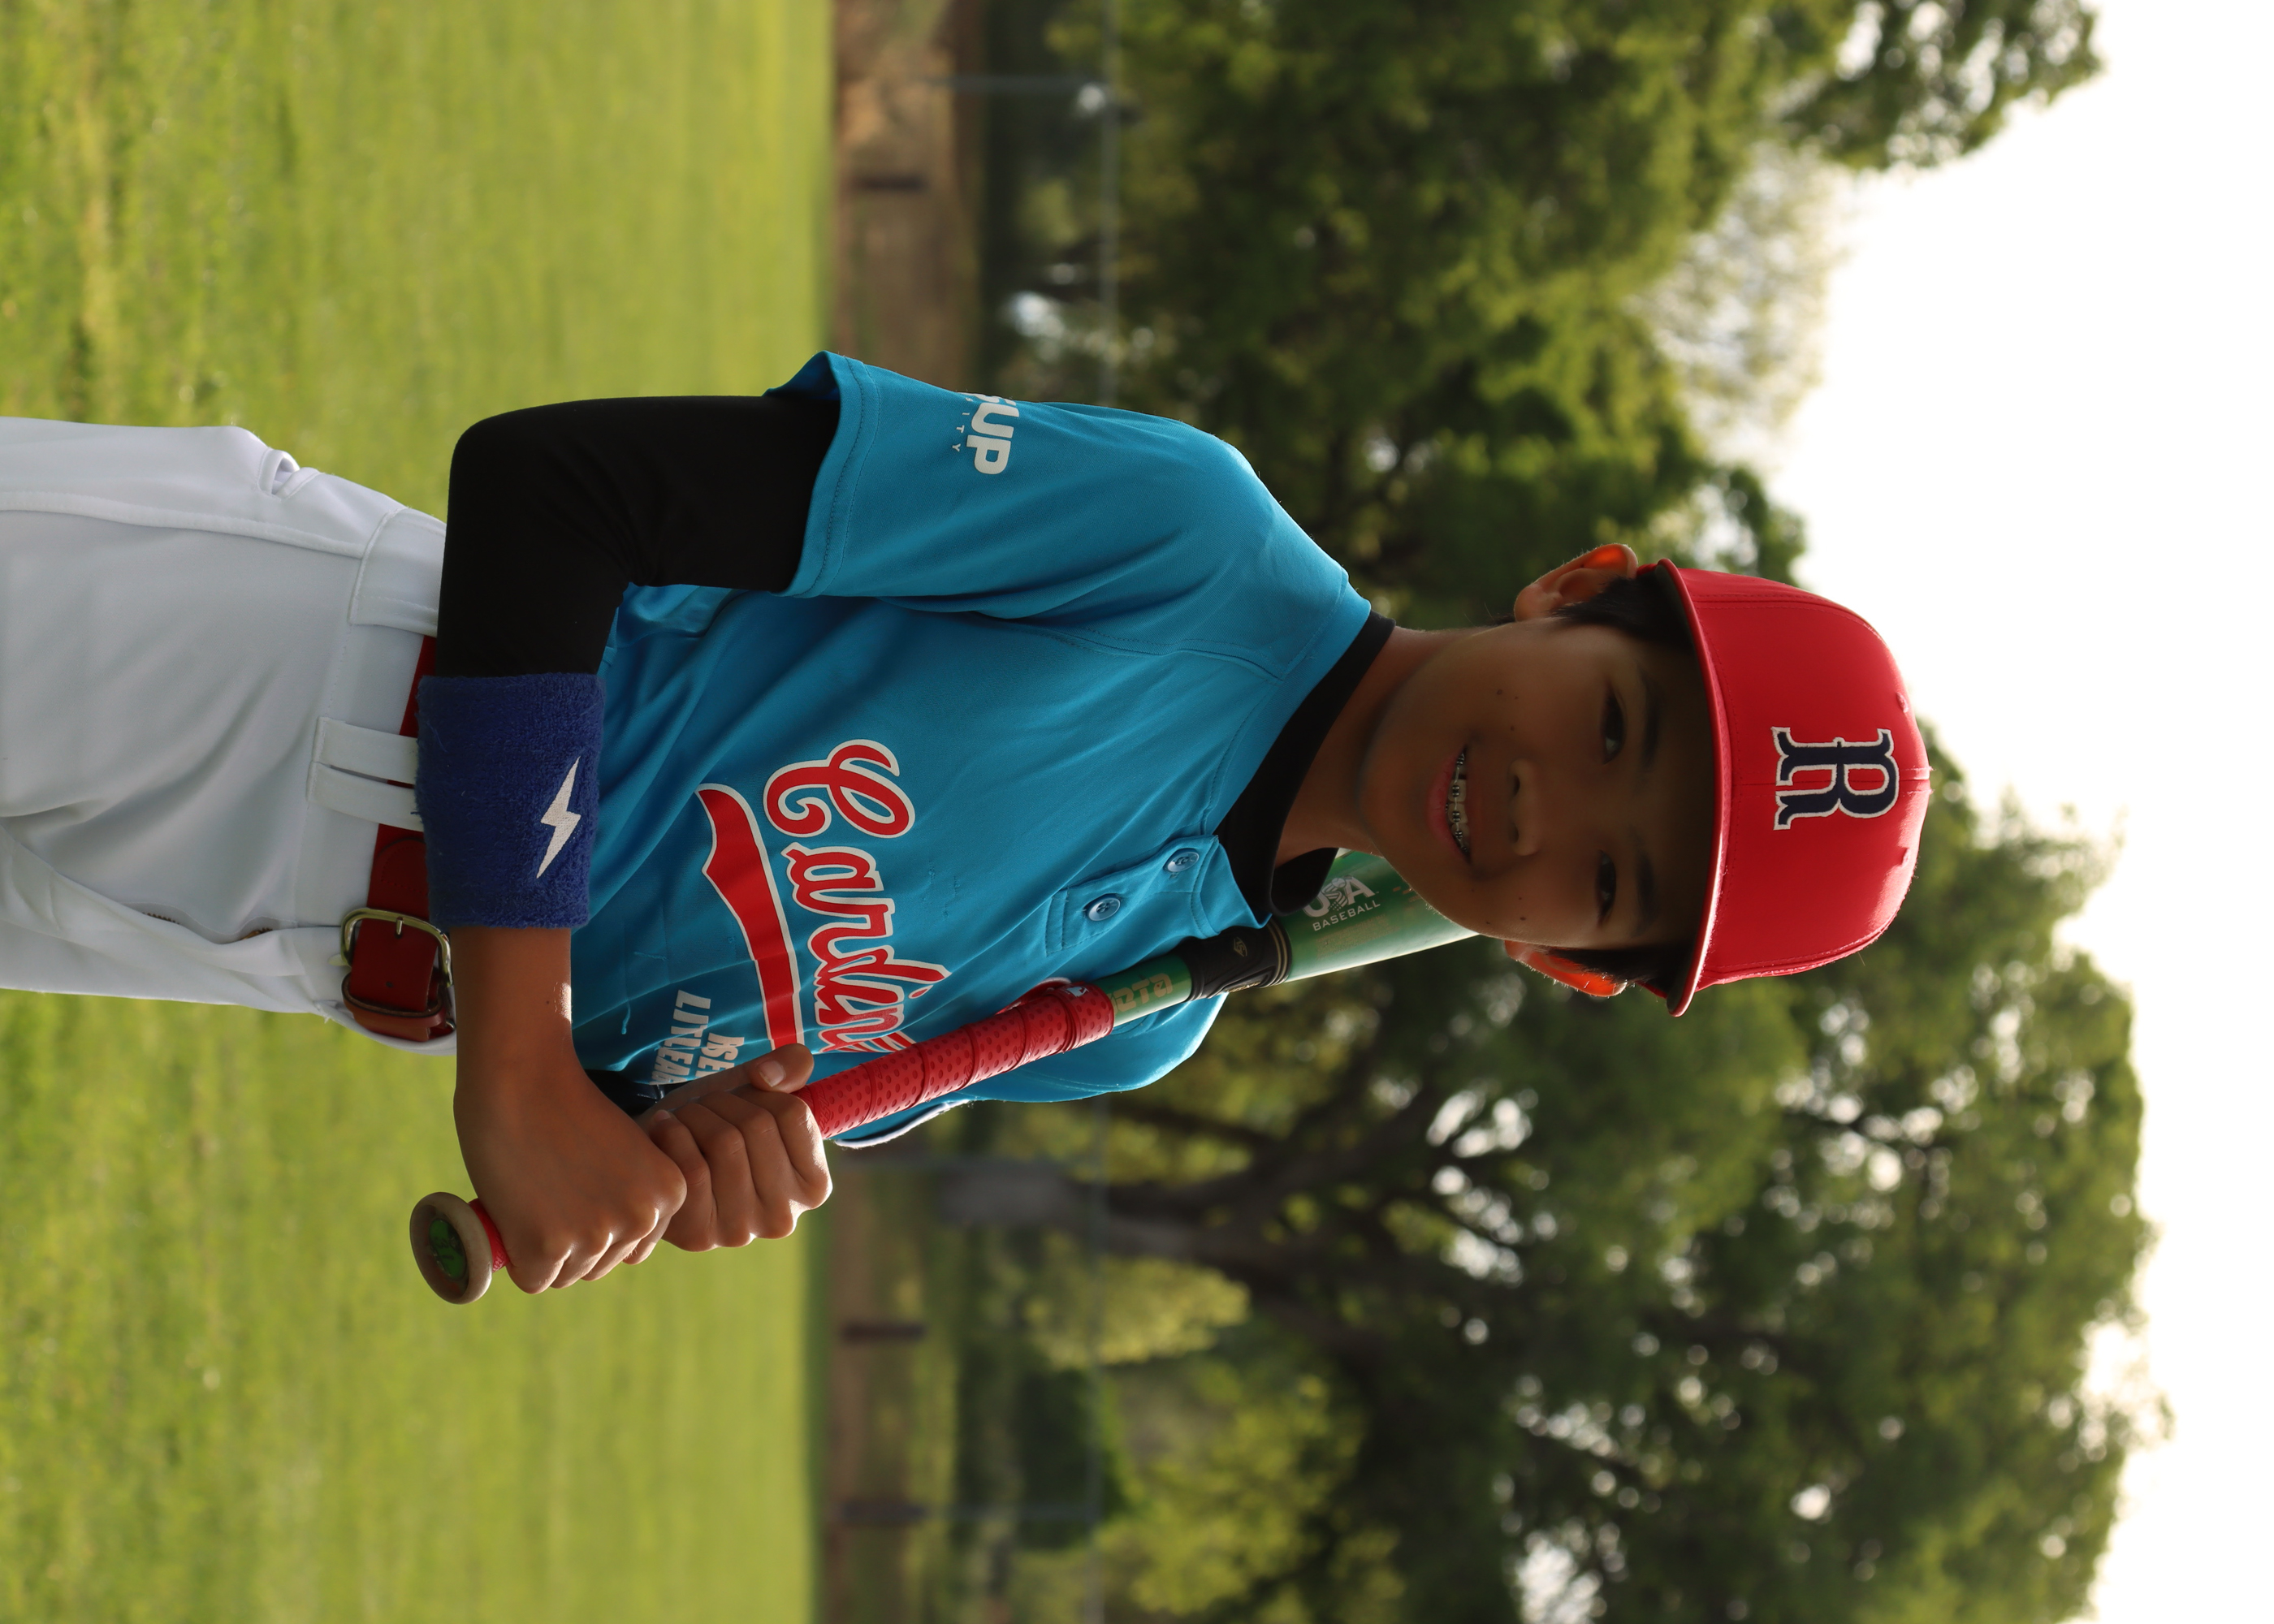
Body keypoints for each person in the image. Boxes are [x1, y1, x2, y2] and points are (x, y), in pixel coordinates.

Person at [0, 352, 1928, 1294]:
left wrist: (689, 1140)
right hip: (268, 667)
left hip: (282, 948)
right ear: (1572, 592)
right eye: (1610, 724)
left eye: (1610, 872)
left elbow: (630, 1059)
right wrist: (517, 1064)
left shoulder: (1150, 1015)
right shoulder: (1189, 539)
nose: (1536, 802)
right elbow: (554, 492)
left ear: (1560, 960)